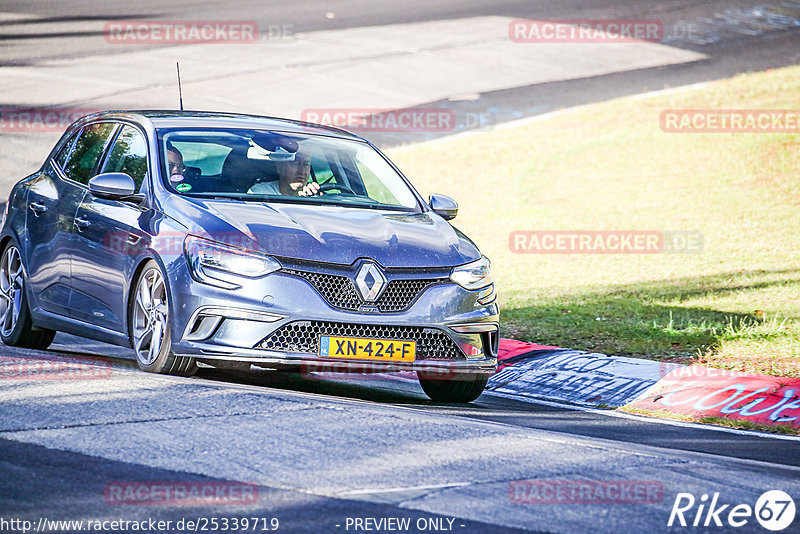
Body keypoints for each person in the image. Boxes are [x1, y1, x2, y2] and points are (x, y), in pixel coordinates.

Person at [248, 144, 320, 197]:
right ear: (279, 167)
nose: (302, 171)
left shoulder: (314, 196)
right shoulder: (260, 193)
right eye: (295, 164)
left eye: (306, 164)